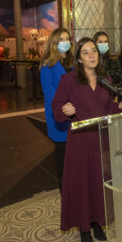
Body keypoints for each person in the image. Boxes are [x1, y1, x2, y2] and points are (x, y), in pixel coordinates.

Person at [52, 37, 122, 242]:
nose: (92, 55)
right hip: (80, 142)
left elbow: (108, 110)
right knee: (82, 184)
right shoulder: (68, 80)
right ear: (79, 59)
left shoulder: (105, 80)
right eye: (86, 52)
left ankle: (98, 221)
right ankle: (84, 228)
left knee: (99, 182)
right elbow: (57, 108)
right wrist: (64, 110)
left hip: (101, 140)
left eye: (94, 51)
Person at [40, 27, 74, 191]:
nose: (65, 42)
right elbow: (50, 93)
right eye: (61, 39)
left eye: (67, 38)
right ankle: (64, 188)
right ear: (54, 42)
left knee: (74, 152)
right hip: (59, 115)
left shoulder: (72, 63)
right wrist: (66, 105)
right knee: (63, 151)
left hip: (76, 114)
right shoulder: (48, 64)